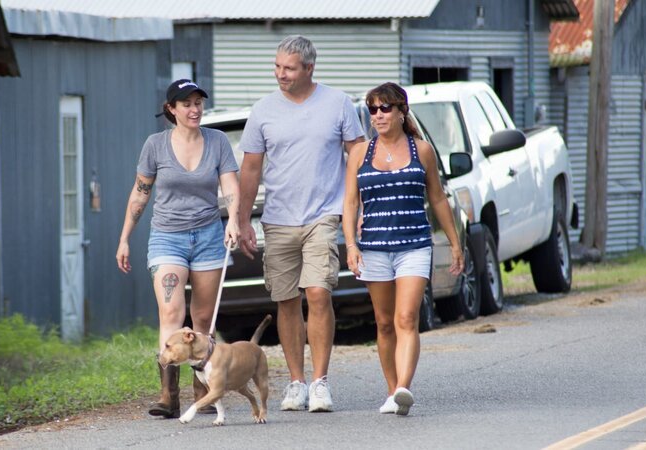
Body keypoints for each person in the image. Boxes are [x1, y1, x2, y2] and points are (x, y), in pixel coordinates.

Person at [238, 35, 365, 413]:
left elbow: (357, 151)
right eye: (277, 67)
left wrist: (354, 205)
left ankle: (320, 382)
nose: (281, 75)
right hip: (277, 219)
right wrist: (244, 220)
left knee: (318, 293)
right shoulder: (263, 110)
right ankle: (296, 382)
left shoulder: (338, 103)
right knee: (285, 299)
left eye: (289, 68)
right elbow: (250, 168)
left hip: (323, 215)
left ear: (310, 68)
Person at [116, 79, 240, 419]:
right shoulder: (155, 145)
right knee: (171, 314)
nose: (195, 109)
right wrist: (125, 237)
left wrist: (233, 220)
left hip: (209, 238)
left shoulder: (217, 142)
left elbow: (230, 183)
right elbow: (141, 192)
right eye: (186, 103)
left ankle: (204, 389)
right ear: (171, 109)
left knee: (202, 317)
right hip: (167, 238)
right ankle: (169, 396)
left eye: (198, 102)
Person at [342, 82, 463, 416]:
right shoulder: (360, 153)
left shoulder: (421, 150)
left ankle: (403, 389)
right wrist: (351, 245)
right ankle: (391, 389)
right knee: (383, 322)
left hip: (414, 245)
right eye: (373, 109)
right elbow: (351, 202)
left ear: (401, 111)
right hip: (374, 249)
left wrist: (455, 243)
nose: (378, 115)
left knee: (406, 317)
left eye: (385, 108)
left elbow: (437, 197)